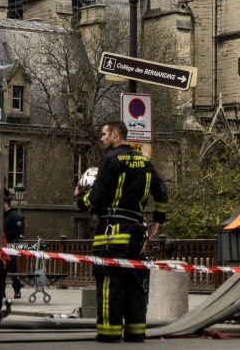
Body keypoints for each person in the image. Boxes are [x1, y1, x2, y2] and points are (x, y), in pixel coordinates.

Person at [75, 121, 168, 343]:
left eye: (104, 134)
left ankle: (109, 333)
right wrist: (158, 219)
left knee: (110, 282)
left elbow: (97, 197)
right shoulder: (144, 161)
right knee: (135, 283)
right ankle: (136, 332)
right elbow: (162, 191)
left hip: (112, 232)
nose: (101, 138)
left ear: (115, 135)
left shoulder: (110, 160)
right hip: (137, 232)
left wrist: (80, 199)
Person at [3, 190, 25, 299]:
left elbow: (18, 231)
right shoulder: (0, 216)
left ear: (6, 204)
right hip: (1, 246)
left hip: (11, 245)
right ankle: (1, 291)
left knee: (13, 268)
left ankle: (17, 289)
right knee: (1, 269)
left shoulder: (14, 216)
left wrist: (5, 234)